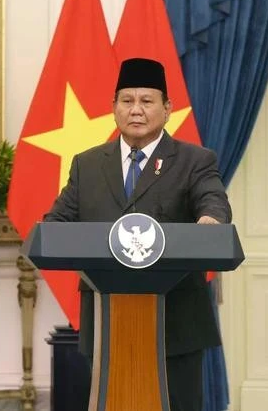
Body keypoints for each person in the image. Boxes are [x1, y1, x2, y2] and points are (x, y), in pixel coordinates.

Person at [43, 57, 230, 411]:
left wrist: (210, 220)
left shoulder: (195, 160)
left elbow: (213, 200)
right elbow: (57, 222)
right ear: (114, 108)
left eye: (147, 101)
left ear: (167, 108)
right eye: (127, 101)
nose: (136, 110)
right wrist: (48, 231)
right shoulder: (88, 164)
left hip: (176, 324)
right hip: (106, 325)